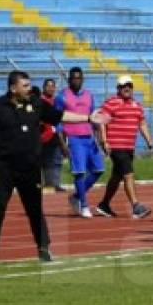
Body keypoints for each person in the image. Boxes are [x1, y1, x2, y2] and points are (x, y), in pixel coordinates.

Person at [0, 71, 92, 264]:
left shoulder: (36, 104)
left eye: (29, 85)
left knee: (35, 210)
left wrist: (88, 118)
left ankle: (43, 248)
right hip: (4, 168)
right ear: (13, 88)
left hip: (30, 169)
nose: (29, 89)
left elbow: (60, 115)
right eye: (24, 85)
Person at [95, 76, 153, 219]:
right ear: (118, 88)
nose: (127, 88)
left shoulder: (137, 105)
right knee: (128, 174)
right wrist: (104, 141)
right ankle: (136, 206)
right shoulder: (111, 102)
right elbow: (101, 122)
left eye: (129, 85)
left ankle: (104, 204)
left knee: (117, 177)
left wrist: (149, 139)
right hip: (116, 146)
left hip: (129, 147)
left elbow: (142, 123)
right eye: (123, 86)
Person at [58, 67, 103, 219]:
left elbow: (94, 118)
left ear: (82, 79)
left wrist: (100, 138)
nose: (76, 80)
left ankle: (76, 196)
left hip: (89, 138)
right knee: (79, 173)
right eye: (73, 78)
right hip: (74, 139)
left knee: (98, 170)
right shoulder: (62, 96)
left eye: (79, 78)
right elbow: (56, 120)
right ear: (68, 79)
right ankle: (84, 205)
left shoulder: (89, 96)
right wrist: (62, 143)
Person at [39, 78, 68, 192]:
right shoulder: (40, 101)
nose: (51, 88)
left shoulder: (57, 102)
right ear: (44, 88)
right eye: (48, 86)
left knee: (56, 160)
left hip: (55, 134)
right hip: (43, 135)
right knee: (43, 161)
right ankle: (43, 184)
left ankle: (55, 183)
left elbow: (60, 120)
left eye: (53, 86)